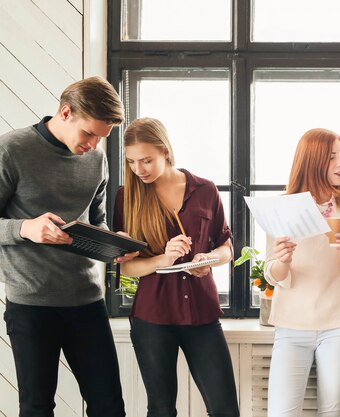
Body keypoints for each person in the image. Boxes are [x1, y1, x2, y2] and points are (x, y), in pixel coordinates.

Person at [0, 76, 130, 416]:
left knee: (109, 405)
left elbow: (98, 222)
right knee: (37, 408)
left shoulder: (95, 160)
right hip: (31, 305)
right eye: (89, 134)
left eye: (102, 137)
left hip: (86, 300)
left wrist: (113, 243)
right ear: (66, 113)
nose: (94, 145)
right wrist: (25, 228)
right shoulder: (9, 151)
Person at [113, 117, 239, 417]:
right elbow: (127, 270)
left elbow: (227, 248)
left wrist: (208, 260)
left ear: (166, 152)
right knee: (161, 409)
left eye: (146, 160)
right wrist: (162, 260)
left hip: (203, 316)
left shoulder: (205, 190)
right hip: (152, 318)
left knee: (225, 410)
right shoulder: (125, 198)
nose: (138, 170)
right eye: (131, 162)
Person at [264, 128, 340, 416]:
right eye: (332, 157)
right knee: (282, 412)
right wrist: (283, 260)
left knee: (332, 412)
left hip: (339, 325)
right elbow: (272, 272)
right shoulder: (282, 207)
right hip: (291, 326)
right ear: (313, 161)